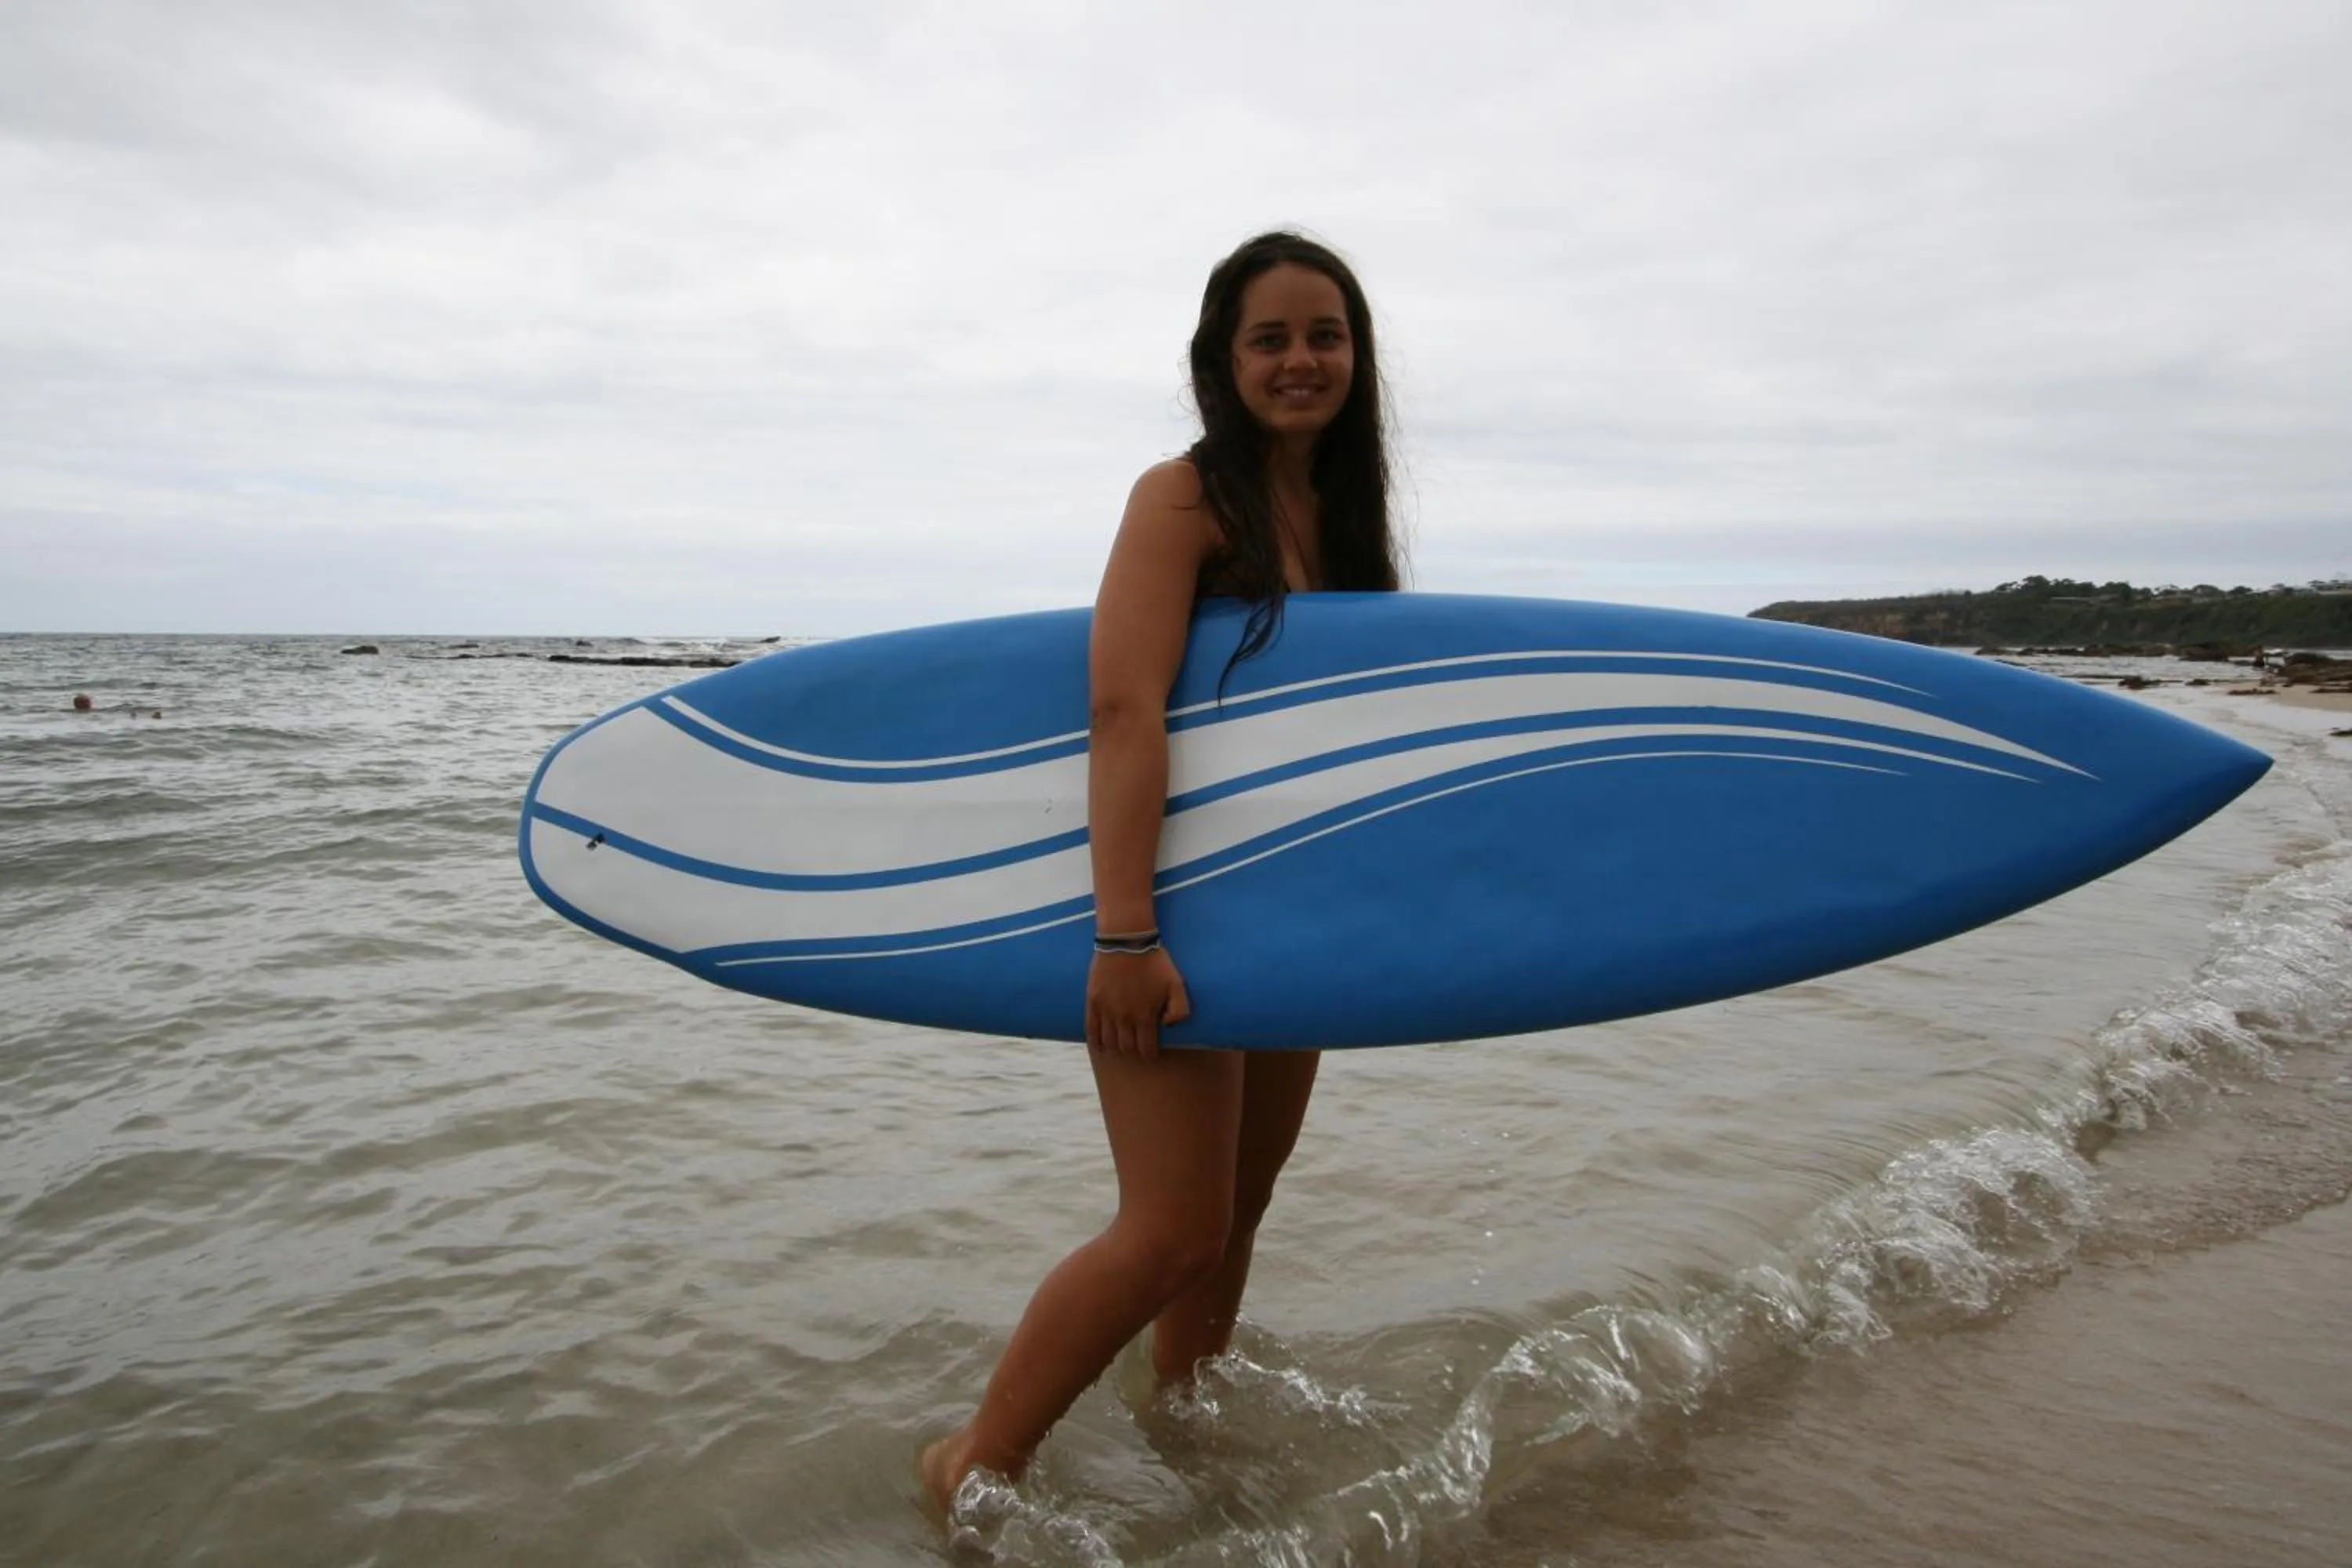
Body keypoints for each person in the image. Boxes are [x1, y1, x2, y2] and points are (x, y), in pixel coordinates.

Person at [920, 231, 1404, 1511]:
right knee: (1172, 1226)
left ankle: (1184, 1428)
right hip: (1170, 911)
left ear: (1356, 357)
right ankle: (971, 1465)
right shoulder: (1183, 499)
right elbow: (1123, 709)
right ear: (1220, 362)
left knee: (1238, 1206)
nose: (1301, 361)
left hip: (1281, 903)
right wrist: (1124, 933)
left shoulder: (1347, 519)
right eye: (1270, 338)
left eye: (1326, 336)